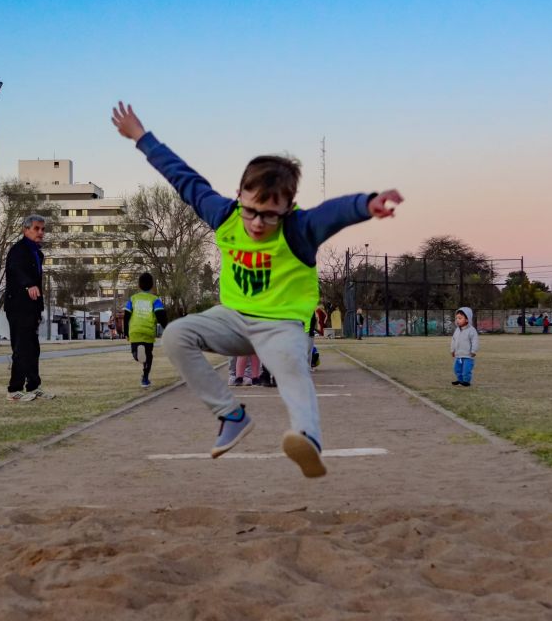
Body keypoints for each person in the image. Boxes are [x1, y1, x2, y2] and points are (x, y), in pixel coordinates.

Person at [112, 101, 402, 477]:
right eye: (251, 210)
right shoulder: (224, 214)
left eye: (270, 215)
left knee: (291, 366)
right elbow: (183, 178)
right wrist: (140, 136)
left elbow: (334, 211)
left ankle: (307, 439)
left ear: (288, 207)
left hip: (281, 325)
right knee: (177, 335)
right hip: (232, 318)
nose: (258, 223)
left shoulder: (300, 228)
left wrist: (367, 204)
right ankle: (231, 416)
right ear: (239, 196)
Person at [4, 215, 53, 402]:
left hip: (32, 307)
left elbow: (38, 284)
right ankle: (14, 390)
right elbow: (16, 269)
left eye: (43, 229)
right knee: (21, 347)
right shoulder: (18, 250)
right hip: (17, 306)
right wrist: (28, 285)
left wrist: (39, 307)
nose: (40, 232)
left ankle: (33, 386)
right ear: (26, 230)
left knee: (33, 348)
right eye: (36, 228)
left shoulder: (38, 254)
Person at [125, 272, 168, 388]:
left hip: (135, 331)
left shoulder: (133, 299)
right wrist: (168, 329)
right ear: (152, 286)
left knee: (137, 353)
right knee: (149, 356)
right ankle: (145, 379)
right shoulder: (155, 300)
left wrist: (126, 332)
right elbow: (161, 316)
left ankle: (136, 354)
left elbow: (126, 315)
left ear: (139, 285)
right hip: (148, 331)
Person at [451, 307, 479, 387]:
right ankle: (460, 380)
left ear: (467, 319)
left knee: (466, 370)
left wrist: (473, 351)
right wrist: (452, 350)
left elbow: (475, 341)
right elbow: (453, 340)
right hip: (458, 355)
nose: (457, 320)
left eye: (460, 318)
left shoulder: (471, 330)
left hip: (468, 355)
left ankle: (466, 381)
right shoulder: (457, 330)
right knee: (457, 369)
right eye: (456, 318)